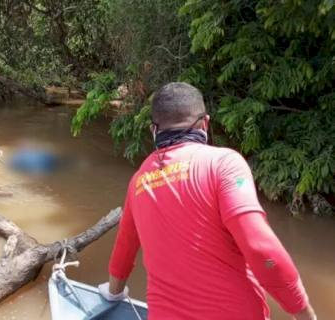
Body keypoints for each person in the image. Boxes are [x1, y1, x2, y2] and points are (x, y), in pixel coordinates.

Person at [98, 83, 316, 320]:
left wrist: (113, 294)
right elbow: (260, 249)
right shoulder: (224, 164)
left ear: (154, 130)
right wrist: (305, 315)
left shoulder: (138, 181)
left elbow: (124, 251)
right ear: (205, 123)